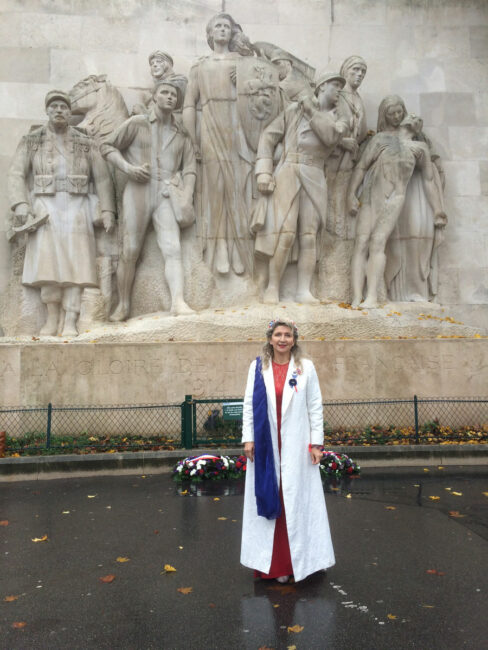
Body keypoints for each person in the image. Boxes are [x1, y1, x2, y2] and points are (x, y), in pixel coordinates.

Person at [8, 89, 116, 337]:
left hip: (77, 206)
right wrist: (21, 205)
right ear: (47, 110)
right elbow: (15, 173)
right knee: (47, 264)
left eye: (64, 107)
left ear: (69, 112)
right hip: (44, 207)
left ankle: (70, 319)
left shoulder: (86, 143)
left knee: (77, 265)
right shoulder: (32, 140)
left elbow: (102, 179)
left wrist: (108, 209)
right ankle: (51, 317)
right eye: (54, 106)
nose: (59, 110)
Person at [240, 319, 335, 583]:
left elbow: (315, 406)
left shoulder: (306, 368)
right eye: (278, 334)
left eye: (288, 335)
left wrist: (316, 443)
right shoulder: (258, 367)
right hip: (267, 445)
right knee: (274, 498)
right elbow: (249, 404)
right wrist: (248, 438)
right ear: (270, 338)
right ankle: (276, 566)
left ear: (295, 339)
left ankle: (305, 562)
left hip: (296, 446)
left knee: (299, 503)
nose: (283, 339)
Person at [101, 80, 196, 320]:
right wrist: (128, 168)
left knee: (172, 248)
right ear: (154, 97)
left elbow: (190, 168)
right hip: (139, 188)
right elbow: (107, 146)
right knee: (130, 249)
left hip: (166, 191)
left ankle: (178, 302)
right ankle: (123, 304)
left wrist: (186, 196)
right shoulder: (137, 123)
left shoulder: (181, 133)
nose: (170, 97)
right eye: (164, 93)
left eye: (174, 95)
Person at [254, 72, 348, 304]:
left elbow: (329, 136)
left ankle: (303, 290)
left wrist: (311, 111)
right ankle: (273, 287)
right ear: (322, 86)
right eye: (335, 85)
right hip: (289, 170)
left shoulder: (341, 119)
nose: (339, 91)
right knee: (284, 234)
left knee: (308, 235)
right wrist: (264, 171)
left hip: (315, 173)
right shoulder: (294, 110)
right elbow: (268, 137)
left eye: (340, 87)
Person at [347, 113, 447, 308]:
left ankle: (372, 297)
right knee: (361, 243)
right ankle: (356, 296)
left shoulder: (420, 148)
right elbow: (361, 166)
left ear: (418, 128)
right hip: (370, 196)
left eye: (419, 119)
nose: (415, 118)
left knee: (377, 242)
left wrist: (438, 211)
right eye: (412, 116)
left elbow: (428, 181)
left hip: (395, 197)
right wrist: (350, 194)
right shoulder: (381, 139)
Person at [182, 12, 255, 276]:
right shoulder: (199, 66)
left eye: (227, 27)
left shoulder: (243, 62)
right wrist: (192, 140)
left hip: (237, 127)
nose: (223, 30)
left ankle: (239, 246)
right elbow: (189, 104)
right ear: (210, 34)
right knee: (216, 189)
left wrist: (246, 80)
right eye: (218, 26)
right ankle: (221, 246)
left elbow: (261, 97)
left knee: (239, 187)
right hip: (211, 125)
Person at [376, 95, 446, 302]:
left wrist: (438, 209)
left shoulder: (421, 141)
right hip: (392, 192)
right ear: (385, 116)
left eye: (400, 112)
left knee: (417, 237)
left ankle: (417, 290)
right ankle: (393, 292)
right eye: (392, 113)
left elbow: (432, 173)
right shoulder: (381, 138)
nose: (397, 116)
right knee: (395, 240)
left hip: (416, 193)